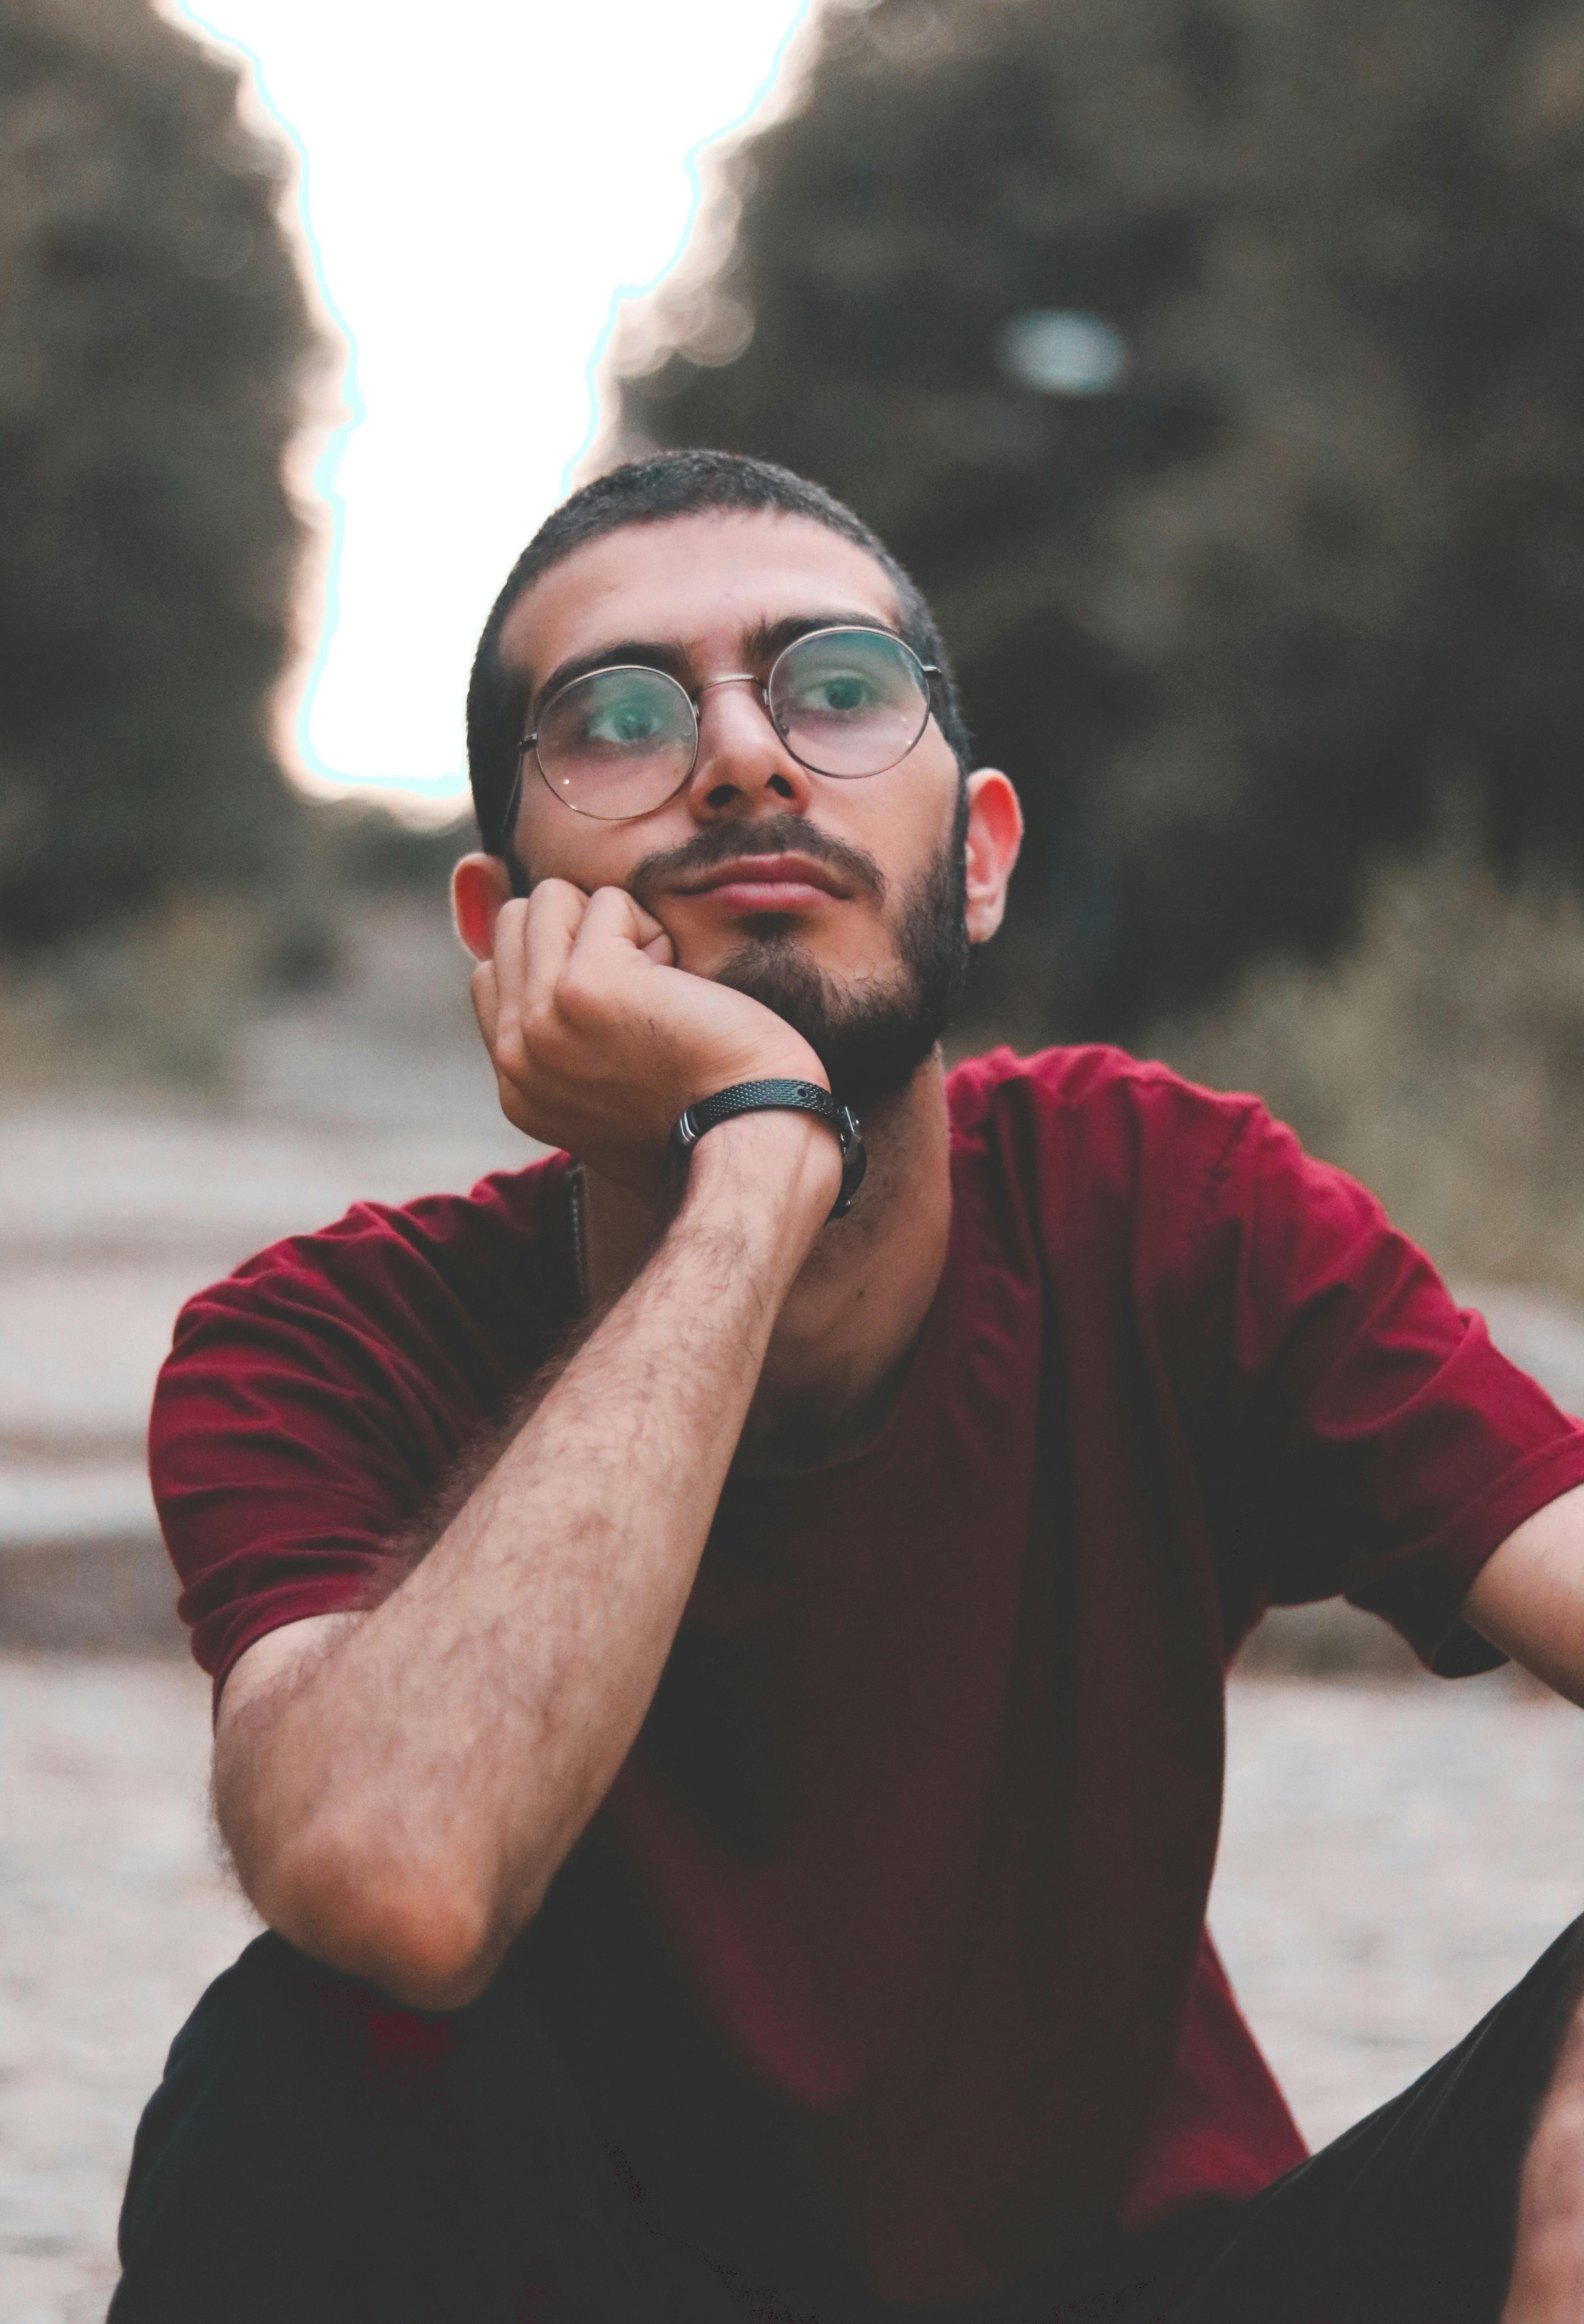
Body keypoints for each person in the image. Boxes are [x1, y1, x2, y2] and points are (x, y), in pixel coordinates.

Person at [112, 450, 1584, 2324]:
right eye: (621, 718)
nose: (741, 758)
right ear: (504, 936)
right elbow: (394, 1874)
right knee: (296, 2066)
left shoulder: (1169, 1208)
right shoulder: (323, 1341)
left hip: (1155, 2294)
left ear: (975, 853)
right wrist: (752, 1160)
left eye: (832, 689)